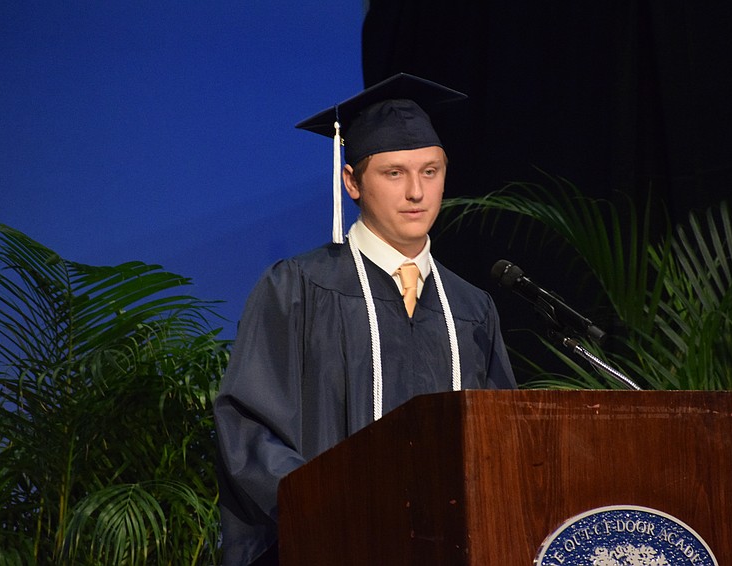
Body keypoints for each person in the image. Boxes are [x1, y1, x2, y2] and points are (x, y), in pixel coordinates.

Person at [213, 73, 516, 565]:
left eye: (431, 171)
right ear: (351, 181)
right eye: (394, 173)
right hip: (329, 547)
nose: (416, 191)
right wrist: (336, 509)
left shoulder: (472, 308)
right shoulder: (297, 289)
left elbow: (502, 443)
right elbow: (251, 431)